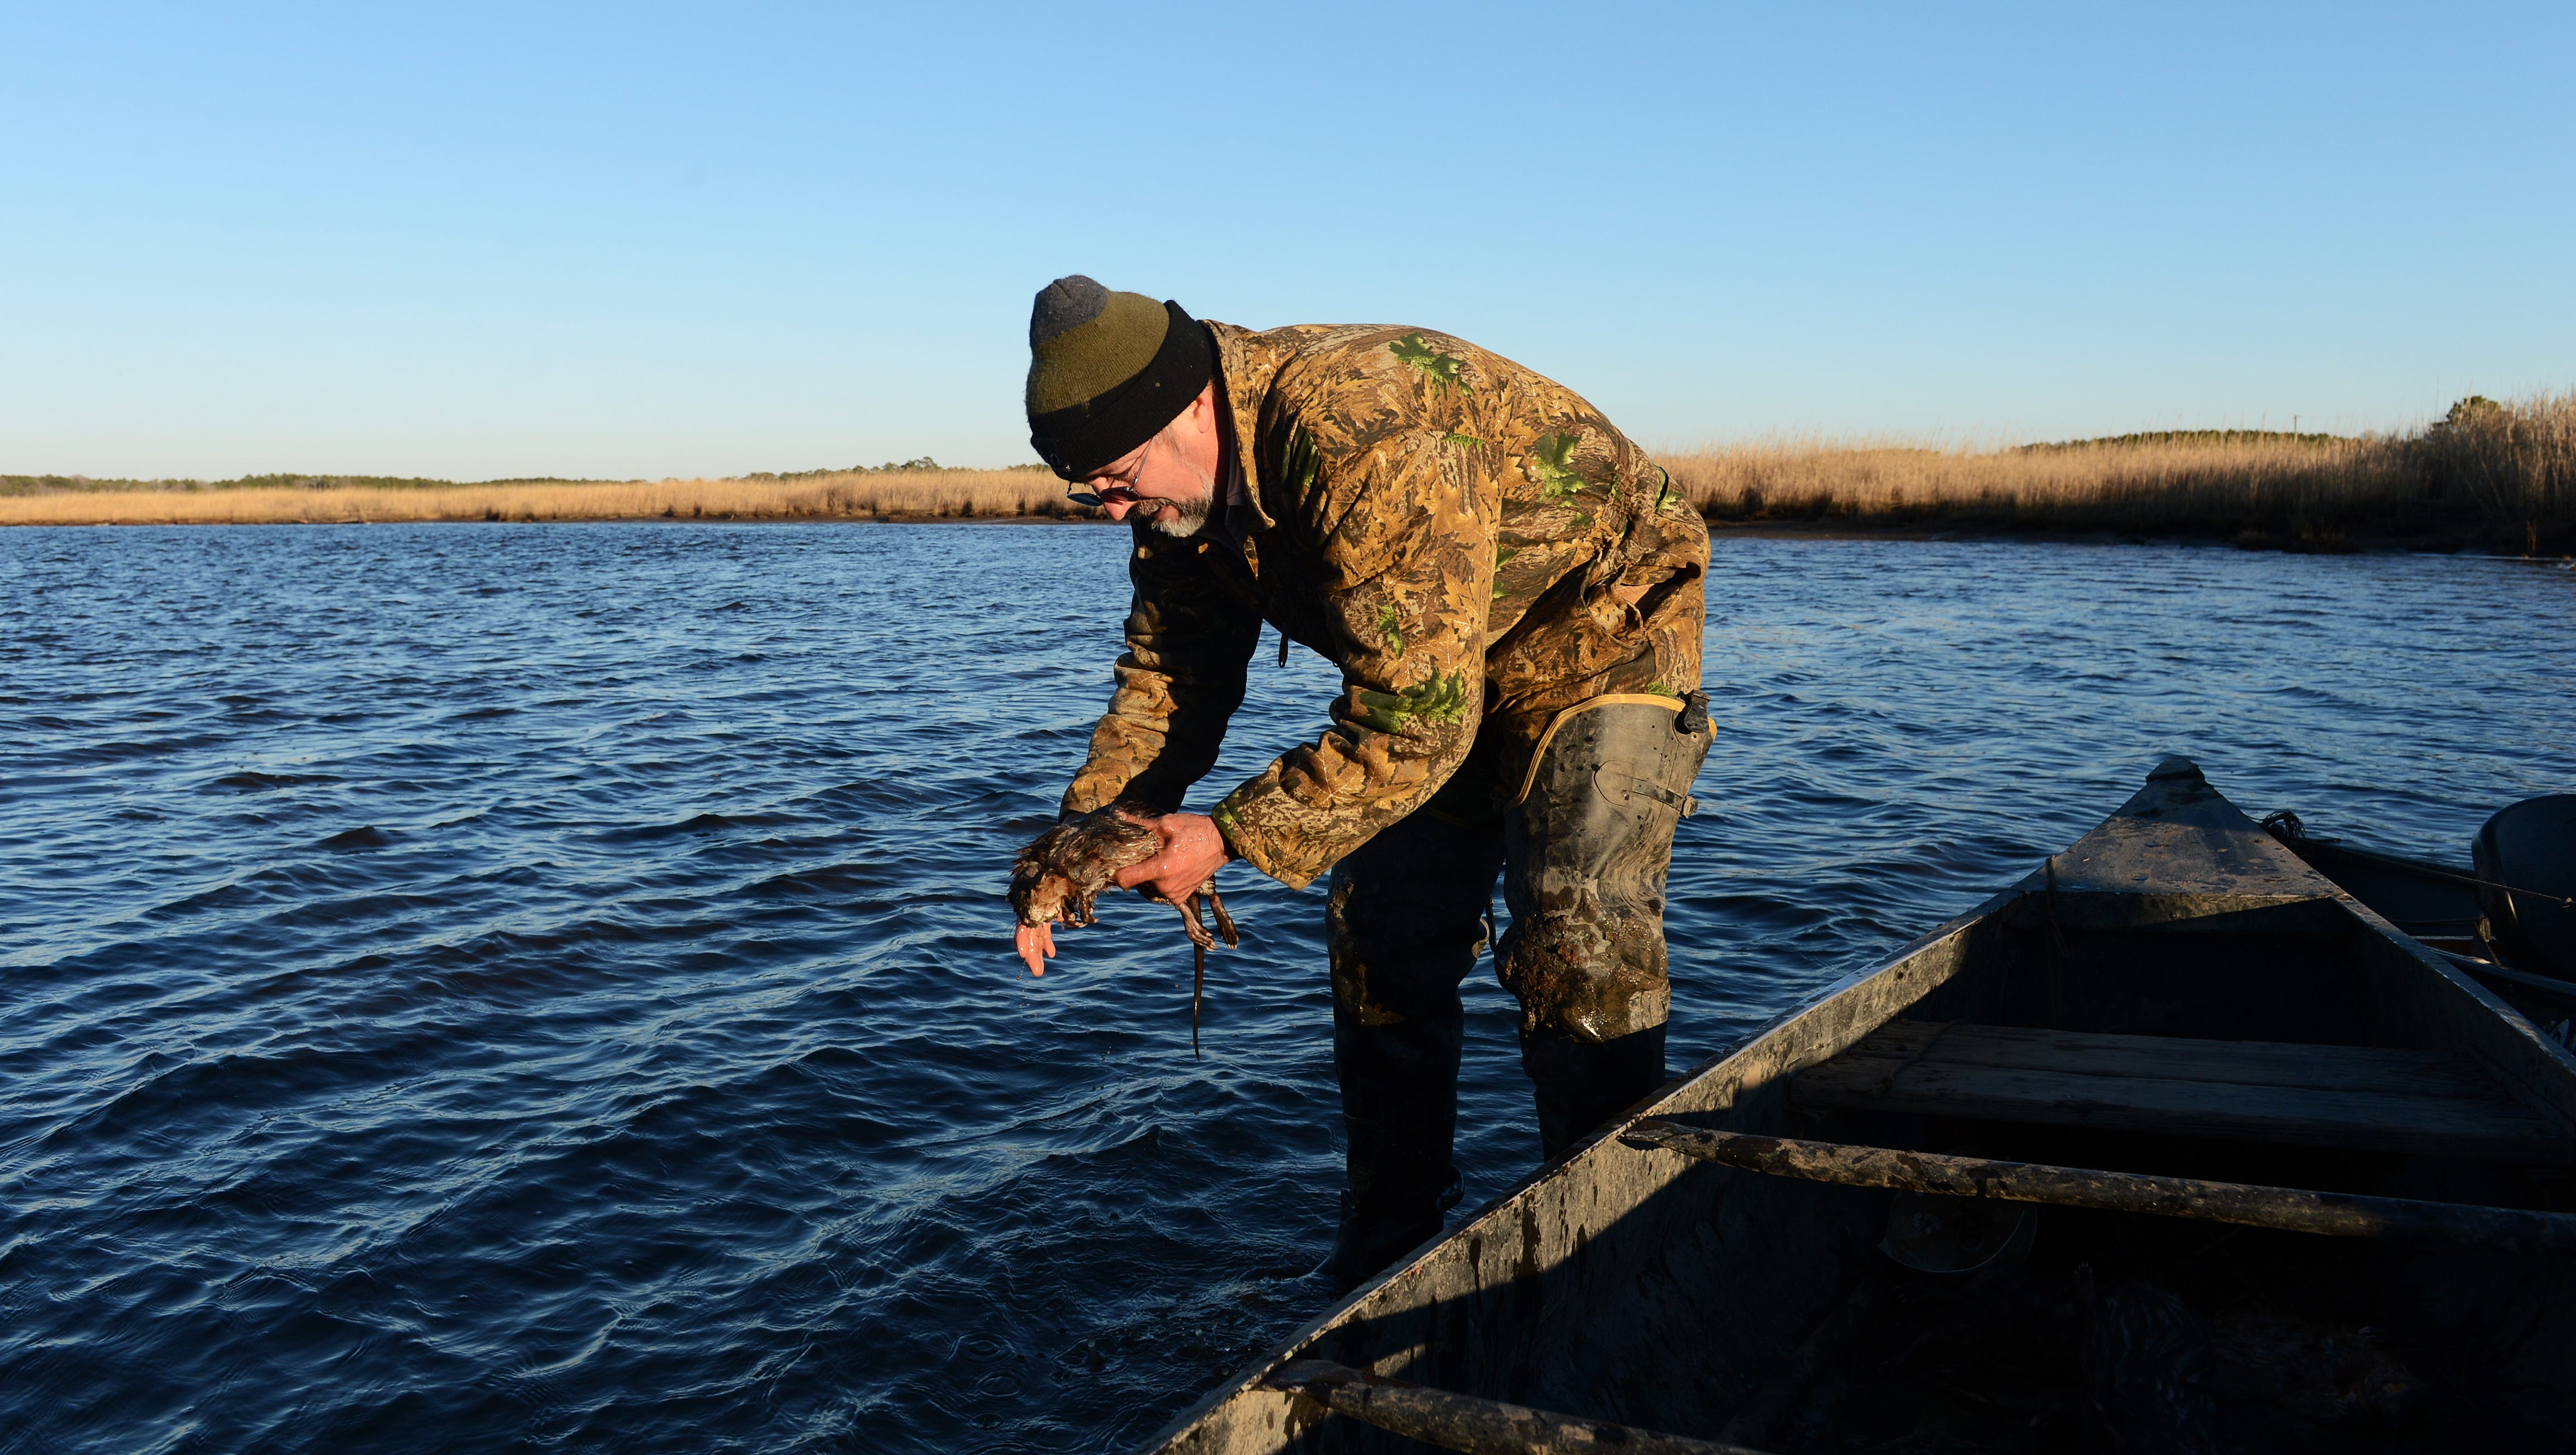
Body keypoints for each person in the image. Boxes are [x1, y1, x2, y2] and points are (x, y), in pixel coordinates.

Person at [1009, 275, 1712, 1289]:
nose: (1115, 507)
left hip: (1601, 627)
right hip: (1440, 668)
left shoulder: (1362, 427)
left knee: (1577, 935)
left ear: (1192, 405)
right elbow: (1172, 679)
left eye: (1118, 477)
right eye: (1092, 492)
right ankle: (1389, 1248)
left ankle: (1615, 1243)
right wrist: (1075, 849)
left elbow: (1416, 721)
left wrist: (1225, 836)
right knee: (1380, 928)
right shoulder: (1174, 504)